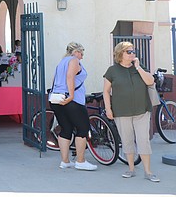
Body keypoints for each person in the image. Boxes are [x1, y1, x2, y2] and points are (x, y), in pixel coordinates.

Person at [103, 42, 159, 181]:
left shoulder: (139, 68)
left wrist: (138, 67)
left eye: (133, 51)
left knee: (143, 140)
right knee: (127, 140)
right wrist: (108, 108)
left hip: (142, 110)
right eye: (129, 51)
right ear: (120, 53)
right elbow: (106, 91)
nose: (132, 53)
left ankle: (148, 172)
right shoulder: (112, 70)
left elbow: (150, 81)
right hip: (121, 111)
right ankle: (131, 169)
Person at [49, 42, 97, 171]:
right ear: (75, 52)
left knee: (66, 128)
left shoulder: (61, 62)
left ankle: (65, 161)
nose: (82, 56)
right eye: (81, 53)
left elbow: (54, 80)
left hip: (56, 99)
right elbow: (70, 76)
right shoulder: (74, 60)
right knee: (83, 128)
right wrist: (70, 95)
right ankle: (80, 161)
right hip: (72, 100)